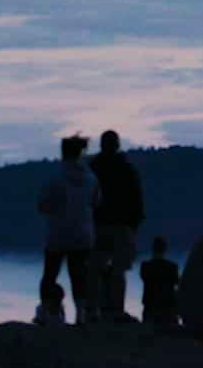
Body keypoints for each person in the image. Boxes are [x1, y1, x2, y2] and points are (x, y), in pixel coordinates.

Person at [36, 134, 99, 324]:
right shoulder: (91, 178)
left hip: (58, 233)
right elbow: (96, 202)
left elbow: (43, 205)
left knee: (50, 274)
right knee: (79, 275)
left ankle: (46, 312)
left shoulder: (55, 178)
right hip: (83, 233)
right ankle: (81, 314)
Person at [89, 130, 144, 320]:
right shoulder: (127, 168)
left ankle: (95, 310)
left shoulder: (93, 168)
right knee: (119, 271)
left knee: (96, 269)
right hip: (122, 225)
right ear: (117, 145)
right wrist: (134, 224)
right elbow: (136, 198)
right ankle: (116, 311)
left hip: (97, 226)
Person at [139, 236, 181, 328]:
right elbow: (178, 283)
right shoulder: (172, 267)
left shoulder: (145, 267)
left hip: (151, 309)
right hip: (167, 310)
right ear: (165, 249)